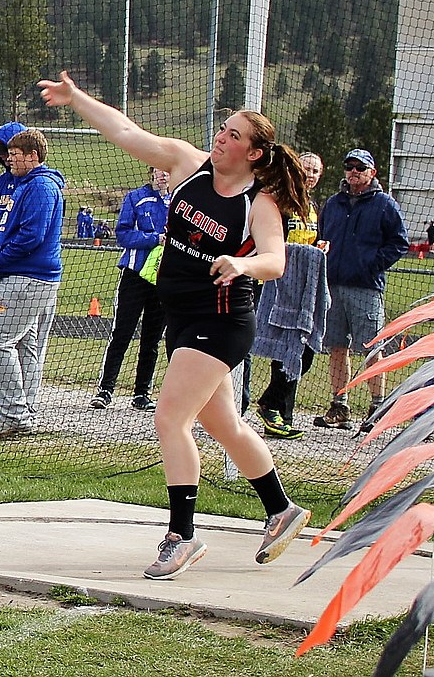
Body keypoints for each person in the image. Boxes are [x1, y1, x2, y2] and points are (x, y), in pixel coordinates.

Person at [39, 70, 313, 580]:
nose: (221, 136)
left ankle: (181, 535)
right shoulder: (189, 165)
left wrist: (243, 264)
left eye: (233, 134)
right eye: (223, 128)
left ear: (253, 153)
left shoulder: (259, 203)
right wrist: (76, 99)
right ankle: (282, 510)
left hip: (222, 320)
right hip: (182, 316)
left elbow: (275, 259)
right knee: (221, 425)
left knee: (170, 418)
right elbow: (126, 134)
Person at [0, 128, 65, 439]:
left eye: (14, 155)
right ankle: (23, 408)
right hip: (28, 278)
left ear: (32, 156)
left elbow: (32, 236)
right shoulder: (27, 185)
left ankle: (14, 415)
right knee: (25, 343)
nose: (9, 160)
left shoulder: (40, 187)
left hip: (27, 279)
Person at [314, 148, 410, 432]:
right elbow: (322, 236)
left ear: (372, 172)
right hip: (333, 285)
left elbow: (399, 243)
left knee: (370, 347)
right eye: (349, 166)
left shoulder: (384, 205)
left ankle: (377, 406)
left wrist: (372, 264)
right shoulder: (333, 203)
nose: (354, 172)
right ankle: (339, 405)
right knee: (336, 346)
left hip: (366, 287)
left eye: (360, 167)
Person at [254, 151, 324, 438]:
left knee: (303, 350)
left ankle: (277, 406)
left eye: (316, 171)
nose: (310, 175)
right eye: (306, 168)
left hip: (300, 288)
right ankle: (268, 408)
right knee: (280, 347)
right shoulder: (279, 202)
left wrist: (320, 246)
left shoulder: (312, 207)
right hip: (274, 284)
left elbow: (310, 240)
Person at [90, 166, 171, 413]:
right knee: (122, 332)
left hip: (164, 279)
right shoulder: (136, 197)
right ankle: (105, 389)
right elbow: (123, 235)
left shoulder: (180, 199)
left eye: (168, 170)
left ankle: (142, 392)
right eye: (159, 170)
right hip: (135, 274)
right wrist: (154, 238)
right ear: (151, 172)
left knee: (152, 338)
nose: (163, 175)